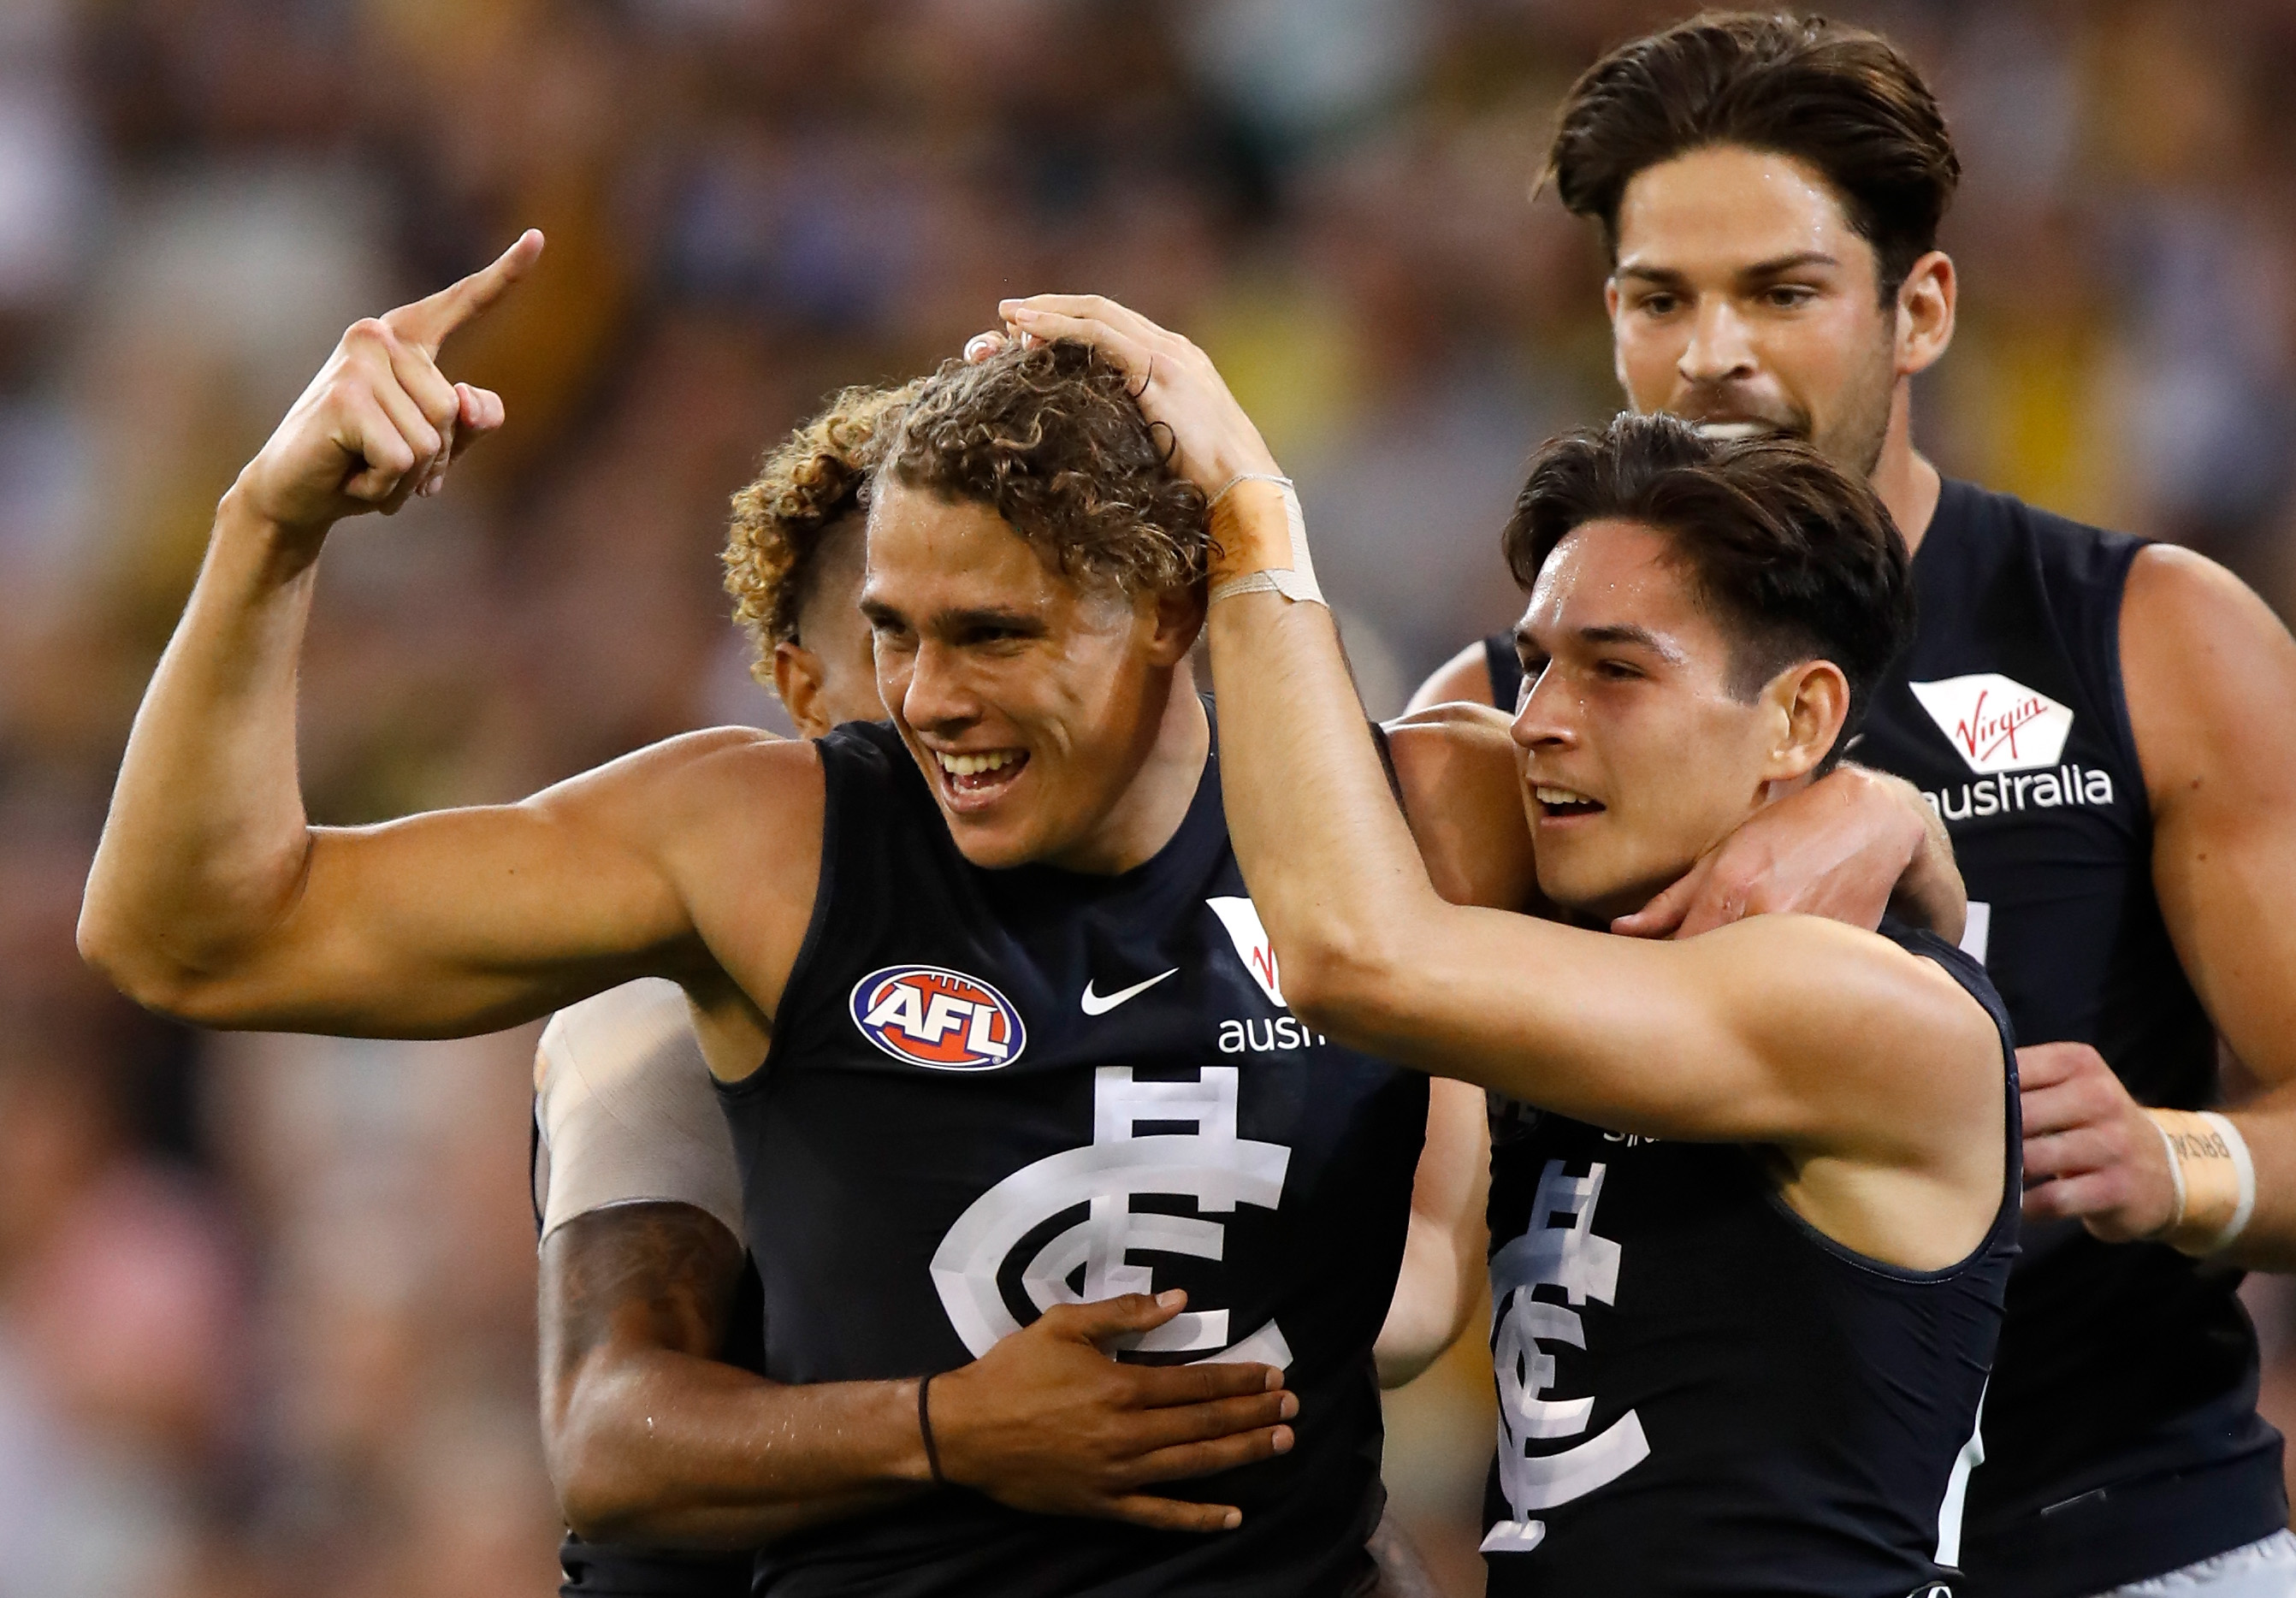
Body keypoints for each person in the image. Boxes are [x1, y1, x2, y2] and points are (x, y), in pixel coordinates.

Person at [75, 241, 1500, 1595]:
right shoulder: (766, 842)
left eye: (994, 635)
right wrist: (269, 525)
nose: (926, 699)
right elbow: (189, 933)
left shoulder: (1431, 812)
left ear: (1178, 606)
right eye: (894, 630)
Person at [1409, 15, 2296, 1595]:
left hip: (2114, 1534)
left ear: (1921, 308)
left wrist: (2181, 1163)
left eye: (1784, 291)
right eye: (1659, 297)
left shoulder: (2150, 634)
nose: (1713, 353)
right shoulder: (1505, 714)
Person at [997, 287, 2019, 1592]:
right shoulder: (1580, 922)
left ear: (1799, 718)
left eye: (1616, 671)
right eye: (1535, 663)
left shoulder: (1874, 1013)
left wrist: (1255, 513)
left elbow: (1352, 953)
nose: (1538, 717)